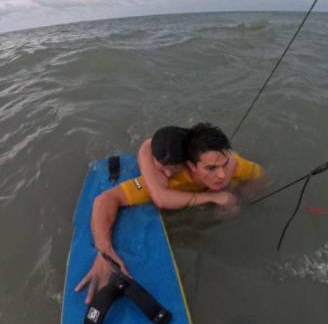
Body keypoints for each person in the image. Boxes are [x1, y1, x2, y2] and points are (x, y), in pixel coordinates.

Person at [76, 122, 266, 304]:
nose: (222, 175)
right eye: (211, 168)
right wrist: (104, 252)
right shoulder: (170, 182)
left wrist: (241, 199)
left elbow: (259, 175)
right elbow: (105, 200)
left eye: (225, 164)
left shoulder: (233, 165)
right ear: (190, 165)